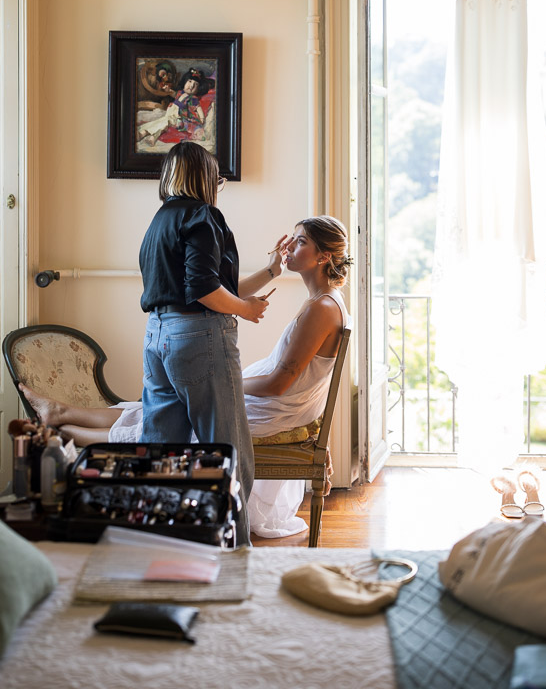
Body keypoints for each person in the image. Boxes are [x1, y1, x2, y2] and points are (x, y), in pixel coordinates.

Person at [20, 216, 351, 540]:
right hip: (276, 404)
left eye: (301, 241)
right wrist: (270, 271)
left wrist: (228, 384)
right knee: (158, 409)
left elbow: (279, 384)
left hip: (274, 410)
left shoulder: (321, 309)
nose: (289, 246)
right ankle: (60, 415)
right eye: (292, 238)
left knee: (171, 420)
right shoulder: (324, 302)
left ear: (323, 257)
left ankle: (61, 433)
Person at [137, 140, 278, 545]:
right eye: (217, 178)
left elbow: (216, 287)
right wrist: (246, 311)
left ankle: (160, 545)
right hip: (198, 338)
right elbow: (203, 291)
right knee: (228, 452)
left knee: (162, 453)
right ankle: (235, 554)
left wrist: (272, 270)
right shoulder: (203, 214)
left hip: (157, 336)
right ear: (205, 178)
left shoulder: (159, 221)